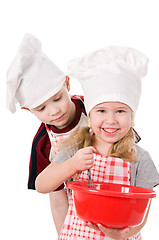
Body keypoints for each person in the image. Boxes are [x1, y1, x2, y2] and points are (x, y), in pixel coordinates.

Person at [35, 46, 159, 239]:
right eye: (101, 111)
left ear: (132, 116)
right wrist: (72, 165)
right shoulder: (76, 150)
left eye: (120, 111)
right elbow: (42, 185)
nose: (111, 120)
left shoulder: (140, 158)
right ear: (89, 115)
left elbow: (141, 216)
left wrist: (121, 235)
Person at [6, 34, 88, 235]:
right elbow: (58, 201)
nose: (54, 111)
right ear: (28, 110)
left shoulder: (95, 109)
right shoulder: (43, 144)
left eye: (58, 98)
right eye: (41, 108)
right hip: (80, 216)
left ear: (67, 84)